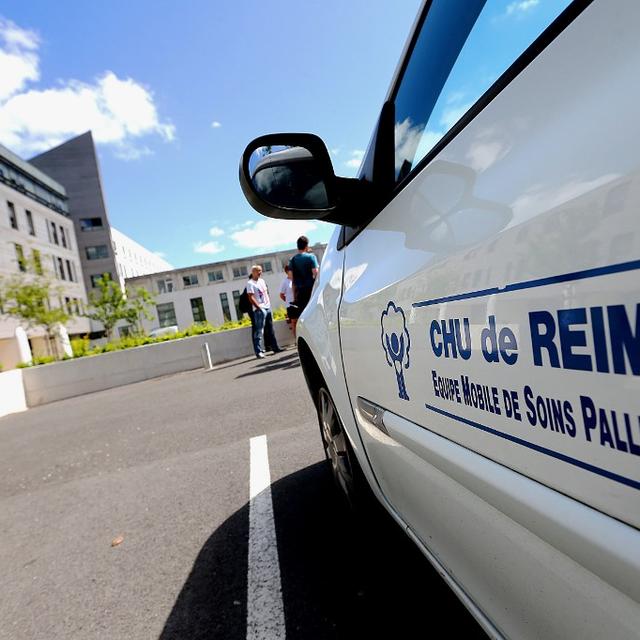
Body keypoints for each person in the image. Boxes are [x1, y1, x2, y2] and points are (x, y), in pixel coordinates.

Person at [246, 264, 281, 358]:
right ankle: (258, 351)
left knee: (270, 329)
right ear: (253, 272)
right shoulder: (250, 283)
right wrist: (259, 308)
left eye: (261, 270)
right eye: (258, 271)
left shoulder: (262, 281)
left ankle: (275, 347)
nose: (260, 272)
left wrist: (268, 304)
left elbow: (266, 292)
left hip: (267, 307)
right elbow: (250, 297)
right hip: (259, 309)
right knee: (259, 330)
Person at [289, 235, 319, 317]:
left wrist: (294, 297)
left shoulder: (292, 260)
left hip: (299, 294)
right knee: (314, 316)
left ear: (297, 246)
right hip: (311, 291)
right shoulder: (311, 257)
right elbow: (316, 273)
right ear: (306, 245)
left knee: (303, 317)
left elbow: (292, 280)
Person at [279, 264, 299, 335]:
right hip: (291, 305)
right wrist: (288, 301)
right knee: (294, 322)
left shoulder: (298, 279)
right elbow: (281, 295)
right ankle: (296, 339)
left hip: (299, 304)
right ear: (287, 271)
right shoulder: (285, 282)